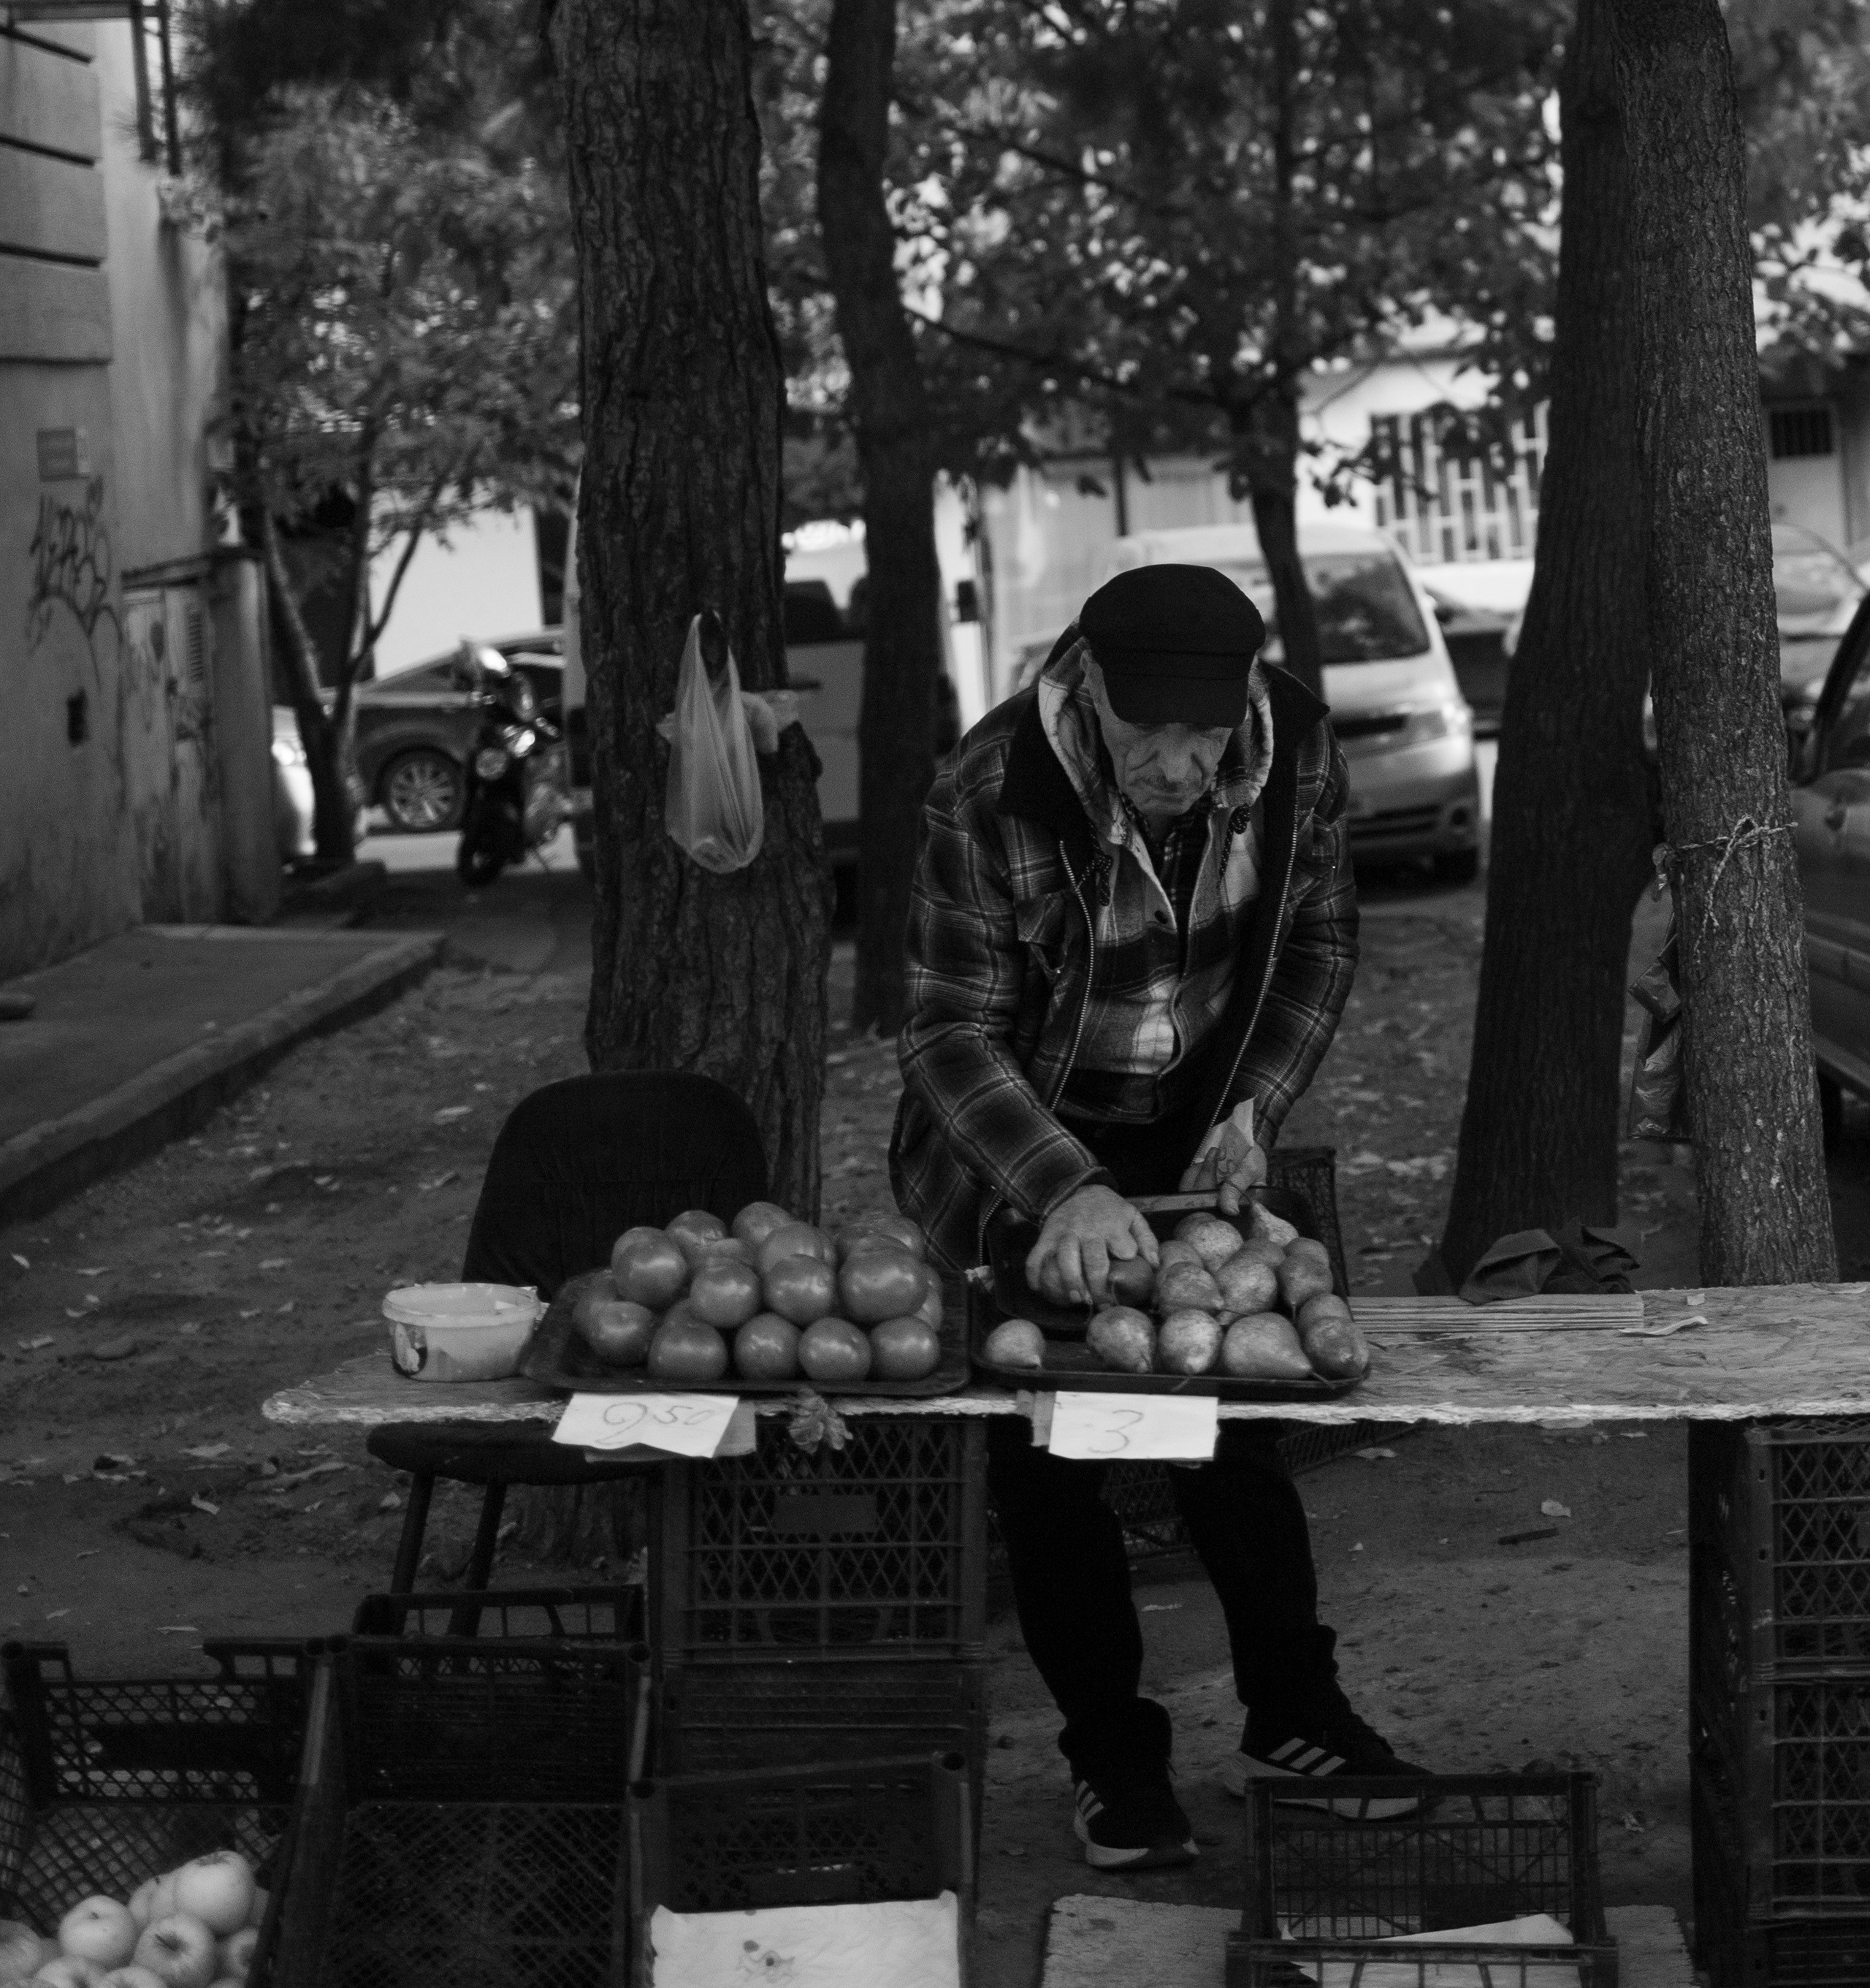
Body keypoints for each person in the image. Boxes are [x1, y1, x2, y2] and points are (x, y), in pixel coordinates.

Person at [891, 563, 1427, 1872]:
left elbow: (1318, 939)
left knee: (1233, 1423)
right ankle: (1113, 1762)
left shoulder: (1292, 743)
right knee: (1049, 1445)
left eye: (1204, 730)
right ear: (1091, 681)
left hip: (1197, 1126)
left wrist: (1259, 1101)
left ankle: (1292, 1712)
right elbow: (947, 1027)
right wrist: (1063, 1184)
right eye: (1150, 737)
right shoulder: (989, 787)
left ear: (1244, 690)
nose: (1182, 766)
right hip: (1024, 1138)